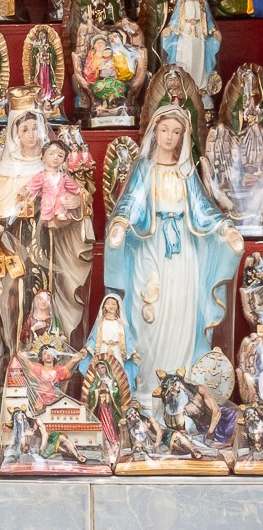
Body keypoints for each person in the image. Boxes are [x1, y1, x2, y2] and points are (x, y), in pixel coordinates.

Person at [105, 105, 244, 404]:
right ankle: (147, 392)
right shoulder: (144, 168)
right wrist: (120, 224)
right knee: (149, 315)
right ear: (155, 130)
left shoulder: (186, 172)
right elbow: (131, 203)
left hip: (183, 253)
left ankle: (181, 391)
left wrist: (225, 230)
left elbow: (204, 209)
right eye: (165, 130)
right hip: (151, 248)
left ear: (183, 137)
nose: (169, 137)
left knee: (183, 313)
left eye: (177, 132)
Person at [0, 108, 93, 369]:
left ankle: (48, 362)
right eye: (23, 129)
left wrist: (76, 205)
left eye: (34, 128)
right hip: (13, 254)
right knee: (16, 304)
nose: (30, 134)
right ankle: (17, 360)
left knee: (46, 300)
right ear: (14, 134)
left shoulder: (52, 167)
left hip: (48, 250)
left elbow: (80, 202)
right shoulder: (6, 170)